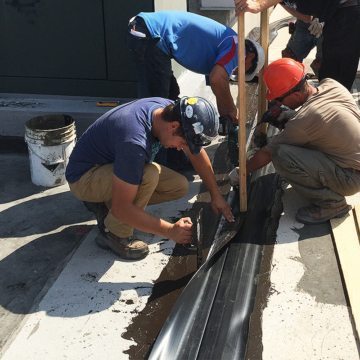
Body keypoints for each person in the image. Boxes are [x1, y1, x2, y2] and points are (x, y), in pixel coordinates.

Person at [65, 96, 234, 260]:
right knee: (148, 175)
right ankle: (115, 234)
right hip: (85, 178)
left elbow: (196, 155)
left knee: (179, 186)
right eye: (182, 143)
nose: (179, 149)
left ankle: (107, 201)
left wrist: (216, 195)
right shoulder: (134, 142)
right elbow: (121, 209)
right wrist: (170, 231)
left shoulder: (169, 110)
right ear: (174, 127)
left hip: (111, 167)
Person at [229, 58, 360, 224]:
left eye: (279, 99)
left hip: (350, 177)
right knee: (293, 125)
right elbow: (310, 123)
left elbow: (269, 152)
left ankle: (332, 204)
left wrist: (243, 171)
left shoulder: (306, 119)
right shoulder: (331, 84)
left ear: (297, 94)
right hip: (350, 159)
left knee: (282, 154)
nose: (277, 103)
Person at [127, 11, 265, 125]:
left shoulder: (223, 48)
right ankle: (151, 151)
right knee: (157, 107)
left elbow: (218, 88)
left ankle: (170, 151)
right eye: (244, 71)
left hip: (150, 33)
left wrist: (226, 118)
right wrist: (232, 110)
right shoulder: (238, 47)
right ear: (251, 56)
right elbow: (217, 80)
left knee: (171, 98)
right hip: (149, 34)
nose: (236, 73)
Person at [234, 0, 360, 91]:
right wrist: (314, 19)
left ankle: (332, 108)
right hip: (320, 18)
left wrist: (258, 5)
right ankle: (293, 93)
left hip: (344, 14)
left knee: (334, 74)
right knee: (291, 57)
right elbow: (306, 17)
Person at [280, 2, 323, 77]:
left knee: (325, 66)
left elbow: (307, 17)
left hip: (329, 21)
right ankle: (292, 85)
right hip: (304, 22)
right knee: (289, 60)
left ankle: (327, 85)